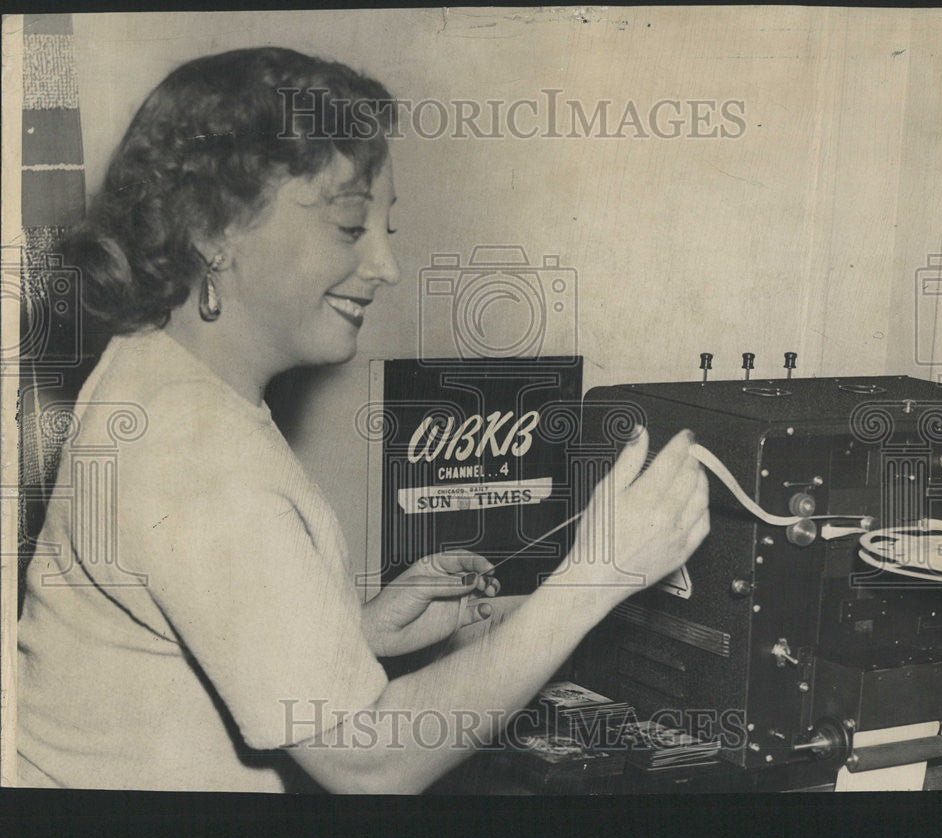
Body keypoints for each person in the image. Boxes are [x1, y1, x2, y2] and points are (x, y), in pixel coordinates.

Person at [17, 47, 709, 793]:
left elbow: (193, 637)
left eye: (388, 229)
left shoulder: (159, 369)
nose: (386, 265)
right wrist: (595, 577)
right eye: (351, 228)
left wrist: (357, 630)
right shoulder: (197, 455)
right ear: (212, 232)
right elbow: (370, 761)